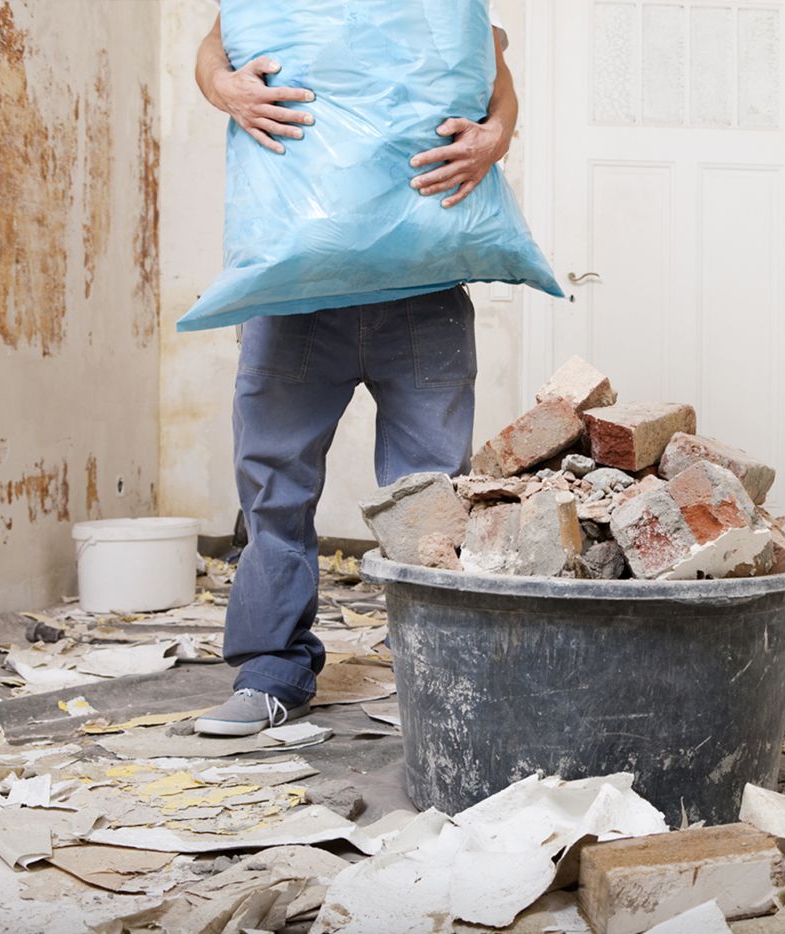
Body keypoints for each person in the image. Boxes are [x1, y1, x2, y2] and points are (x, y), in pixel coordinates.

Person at [191, 5, 514, 736]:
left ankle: (436, 677)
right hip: (295, 292)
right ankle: (271, 669)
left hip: (423, 297)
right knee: (274, 485)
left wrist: (495, 135)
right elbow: (214, 43)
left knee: (428, 500)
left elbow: (496, 64)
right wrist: (225, 87)